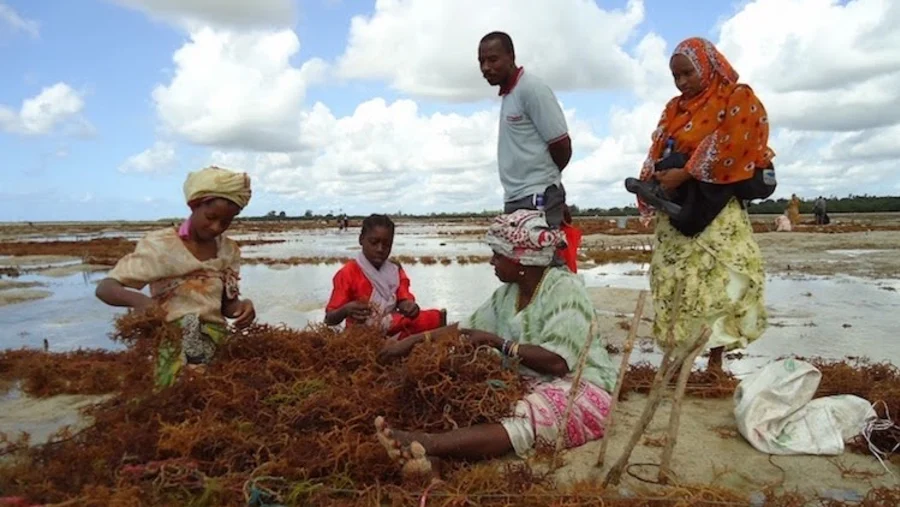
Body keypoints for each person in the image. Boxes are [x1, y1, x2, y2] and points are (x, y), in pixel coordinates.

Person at [374, 210, 617, 475]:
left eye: (498, 255)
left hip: (579, 385)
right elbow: (464, 329)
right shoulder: (506, 295)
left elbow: (557, 363)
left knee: (527, 414)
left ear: (522, 260)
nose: (492, 262)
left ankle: (428, 443)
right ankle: (437, 463)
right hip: (531, 381)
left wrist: (497, 342)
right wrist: (410, 343)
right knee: (474, 398)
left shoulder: (564, 289)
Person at [633, 38, 770, 377]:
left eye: (687, 73)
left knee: (719, 283)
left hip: (717, 212)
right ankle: (680, 358)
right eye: (675, 76)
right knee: (676, 281)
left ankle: (715, 361)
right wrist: (656, 179)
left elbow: (736, 147)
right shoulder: (673, 109)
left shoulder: (737, 98)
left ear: (707, 66)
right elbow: (658, 148)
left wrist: (687, 171)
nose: (681, 82)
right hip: (676, 210)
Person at [95, 166, 256, 388]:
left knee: (214, 399)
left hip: (215, 343)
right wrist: (140, 301)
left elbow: (227, 306)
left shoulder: (228, 251)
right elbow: (105, 288)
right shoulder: (161, 245)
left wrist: (243, 307)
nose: (216, 227)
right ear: (195, 205)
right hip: (172, 341)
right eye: (210, 217)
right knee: (178, 398)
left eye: (225, 222)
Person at [478, 31, 581, 272]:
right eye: (481, 62)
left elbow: (561, 145)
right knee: (519, 273)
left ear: (511, 56)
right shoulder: (509, 95)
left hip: (538, 199)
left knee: (545, 270)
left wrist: (549, 184)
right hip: (515, 199)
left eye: (493, 59)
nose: (486, 67)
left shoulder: (531, 89)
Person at [324, 214, 445, 338]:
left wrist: (409, 307)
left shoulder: (394, 269)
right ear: (361, 240)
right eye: (374, 242)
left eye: (386, 245)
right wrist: (345, 310)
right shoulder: (347, 273)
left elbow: (403, 299)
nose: (380, 249)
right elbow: (329, 319)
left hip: (391, 326)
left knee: (434, 317)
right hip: (360, 336)